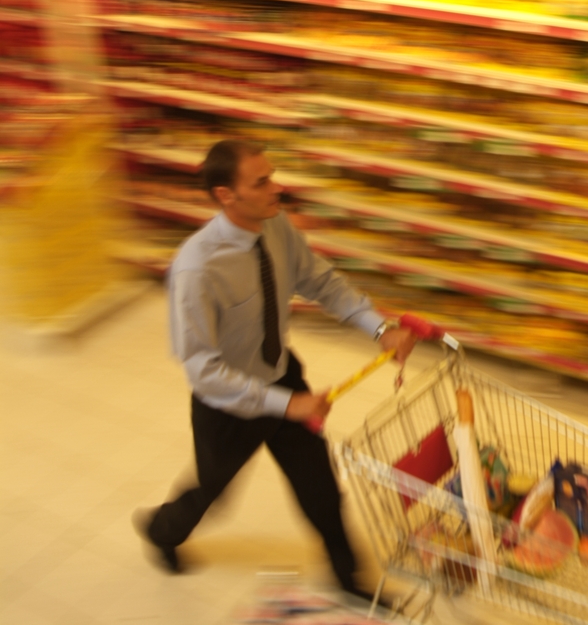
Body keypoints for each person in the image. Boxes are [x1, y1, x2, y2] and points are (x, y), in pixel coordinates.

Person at [134, 138, 415, 601]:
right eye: (261, 181)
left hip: (280, 375)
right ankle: (160, 530)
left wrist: (378, 328)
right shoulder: (195, 269)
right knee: (211, 493)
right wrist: (287, 404)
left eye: (272, 175)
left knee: (321, 488)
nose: (276, 188)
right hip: (226, 405)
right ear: (227, 195)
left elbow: (317, 278)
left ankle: (348, 578)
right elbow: (203, 370)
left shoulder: (275, 224)